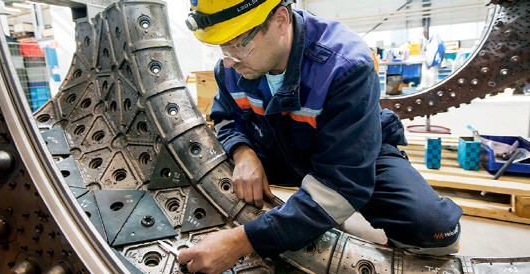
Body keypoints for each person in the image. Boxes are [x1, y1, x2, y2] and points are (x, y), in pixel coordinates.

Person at [178, 0, 463, 273]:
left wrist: (241, 241)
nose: (229, 61)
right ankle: (310, 211)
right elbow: (226, 118)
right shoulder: (231, 67)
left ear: (280, 20)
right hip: (278, 149)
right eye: (221, 46)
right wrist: (243, 153)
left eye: (239, 43)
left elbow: (343, 181)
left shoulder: (346, 66)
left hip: (350, 154)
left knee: (433, 231)